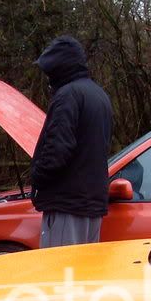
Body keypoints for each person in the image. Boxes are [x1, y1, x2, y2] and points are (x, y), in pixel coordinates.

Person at [31, 35, 113, 248]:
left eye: (49, 71)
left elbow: (58, 149)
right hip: (92, 202)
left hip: (67, 203)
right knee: (82, 275)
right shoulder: (99, 95)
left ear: (57, 68)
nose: (47, 78)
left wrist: (37, 178)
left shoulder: (68, 95)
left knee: (59, 274)